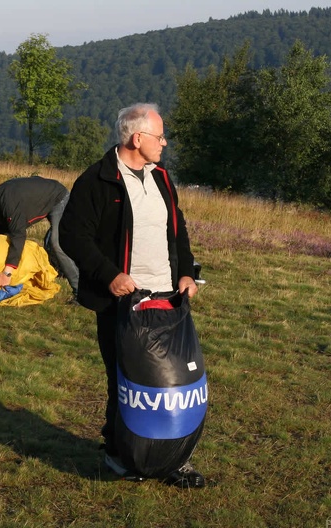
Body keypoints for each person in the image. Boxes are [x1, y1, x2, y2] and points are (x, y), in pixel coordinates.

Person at [59, 103, 204, 488]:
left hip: (168, 301)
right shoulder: (98, 180)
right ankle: (122, 454)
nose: (165, 143)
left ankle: (172, 457)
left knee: (171, 384)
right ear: (137, 138)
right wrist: (109, 276)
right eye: (159, 136)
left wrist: (187, 272)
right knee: (127, 380)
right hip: (122, 302)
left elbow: (179, 231)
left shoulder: (161, 178)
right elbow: (72, 235)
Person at [0, 175, 79, 299]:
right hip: (40, 197)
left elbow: (18, 236)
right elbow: (2, 238)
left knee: (57, 243)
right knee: (49, 242)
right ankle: (58, 264)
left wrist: (7, 273)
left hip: (57, 197)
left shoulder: (8, 203)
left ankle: (80, 291)